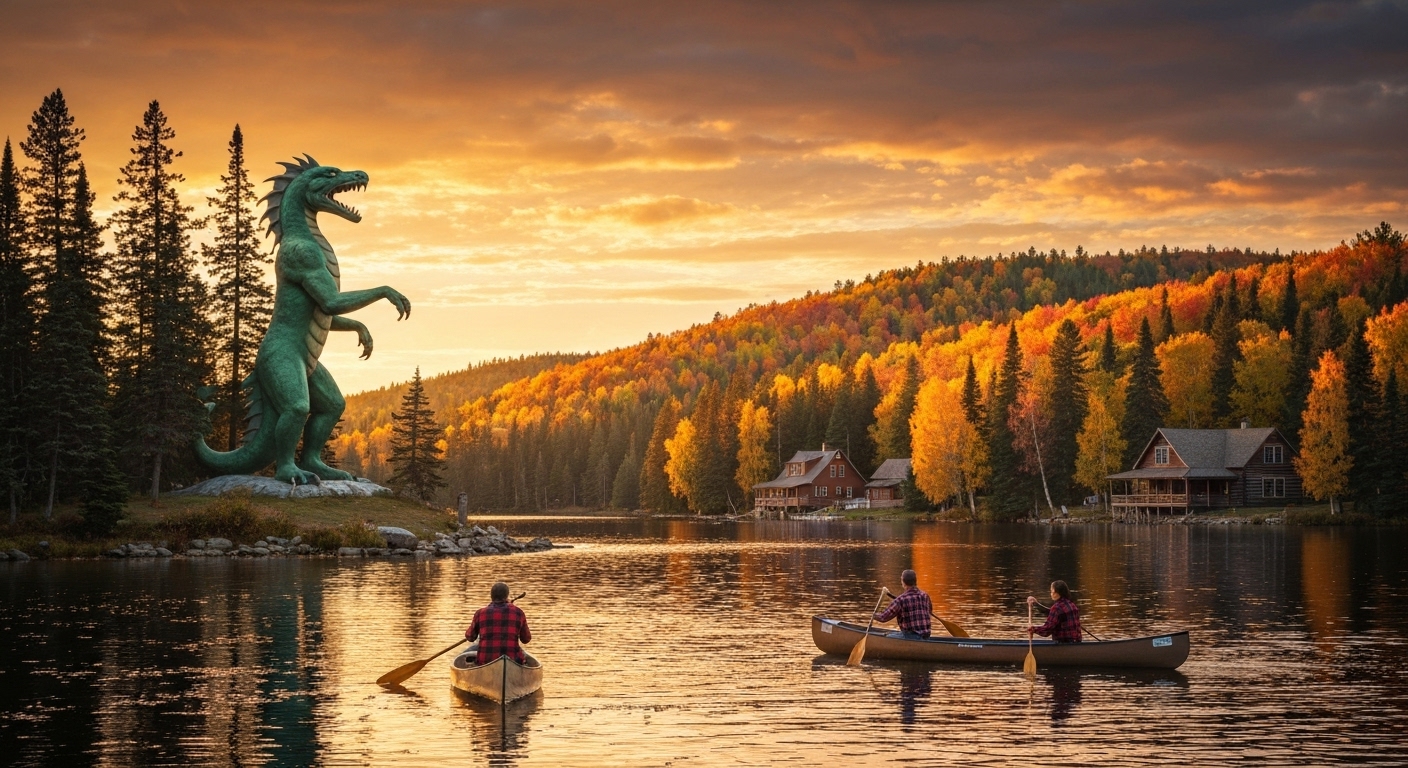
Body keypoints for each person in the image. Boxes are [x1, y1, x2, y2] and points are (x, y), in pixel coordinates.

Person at [466, 581, 531, 665]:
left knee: (474, 647)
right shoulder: (518, 612)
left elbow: (470, 637)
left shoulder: (480, 613)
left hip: (485, 661)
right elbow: (526, 639)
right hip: (513, 661)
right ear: (506, 596)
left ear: (491, 596)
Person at [875, 569, 932, 639]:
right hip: (926, 636)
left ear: (903, 582)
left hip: (911, 636)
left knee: (887, 636)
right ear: (915, 581)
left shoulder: (900, 600)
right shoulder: (925, 596)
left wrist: (873, 616)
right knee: (893, 634)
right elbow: (930, 611)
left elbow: (883, 618)